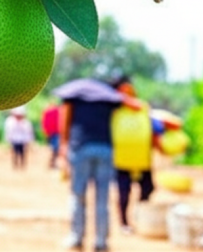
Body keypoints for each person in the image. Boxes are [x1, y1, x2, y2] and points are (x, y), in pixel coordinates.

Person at [58, 79, 141, 252]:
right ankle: (101, 242)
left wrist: (63, 146)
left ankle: (76, 238)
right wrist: (124, 94)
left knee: (78, 195)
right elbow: (136, 106)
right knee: (102, 198)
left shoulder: (74, 96)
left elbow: (65, 119)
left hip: (80, 148)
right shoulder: (109, 97)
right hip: (105, 149)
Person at [109, 75, 161, 235]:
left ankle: (140, 215)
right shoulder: (113, 108)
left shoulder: (143, 106)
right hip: (122, 158)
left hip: (142, 158)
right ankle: (124, 222)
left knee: (148, 188)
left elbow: (153, 126)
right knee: (124, 192)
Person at [4, 106, 34, 170]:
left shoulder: (25, 123)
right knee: (15, 152)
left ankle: (22, 164)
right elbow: (9, 131)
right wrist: (9, 140)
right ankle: (15, 164)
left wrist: (29, 141)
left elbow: (29, 132)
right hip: (14, 140)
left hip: (22, 140)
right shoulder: (11, 122)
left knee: (22, 153)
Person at [41, 103, 61, 169]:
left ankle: (52, 162)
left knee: (54, 148)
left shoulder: (48, 111)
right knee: (54, 148)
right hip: (53, 133)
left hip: (54, 132)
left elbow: (44, 122)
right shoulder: (54, 111)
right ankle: (52, 162)